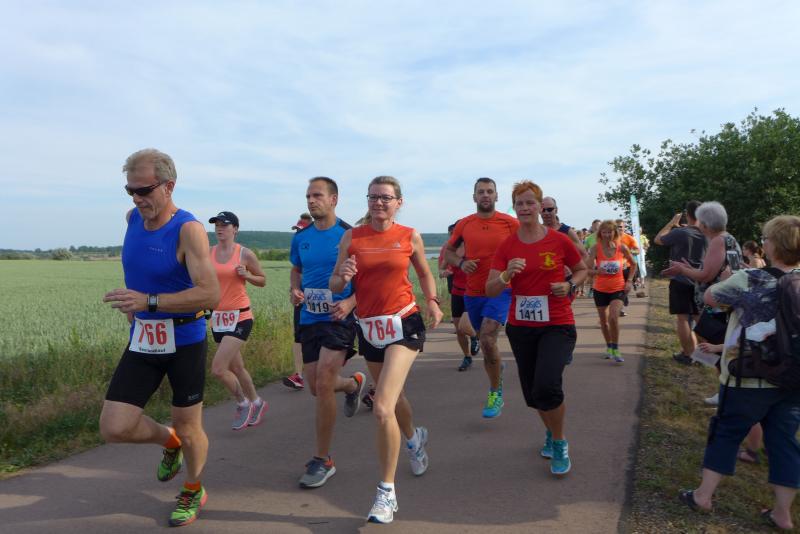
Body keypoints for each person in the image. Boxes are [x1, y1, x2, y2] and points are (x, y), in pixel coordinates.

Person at [101, 149, 220, 527]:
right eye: (130, 190)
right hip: (144, 338)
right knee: (114, 426)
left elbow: (210, 294)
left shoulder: (188, 230)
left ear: (169, 186)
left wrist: (148, 301)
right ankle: (169, 442)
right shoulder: (131, 219)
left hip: (185, 339)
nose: (137, 199)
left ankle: (193, 487)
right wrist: (134, 304)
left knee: (189, 425)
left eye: (144, 190)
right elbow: (141, 271)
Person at [330, 175, 443, 524]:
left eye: (385, 197)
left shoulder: (409, 236)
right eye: (373, 197)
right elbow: (334, 282)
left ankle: (386, 492)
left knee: (381, 407)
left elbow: (423, 273)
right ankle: (413, 439)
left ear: (399, 202)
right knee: (395, 399)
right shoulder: (352, 237)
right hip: (370, 326)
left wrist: (433, 301)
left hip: (404, 323)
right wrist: (343, 276)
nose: (378, 202)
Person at [679, 215, 800, 531]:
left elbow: (710, 298)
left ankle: (703, 496)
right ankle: (783, 514)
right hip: (792, 378)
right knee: (784, 441)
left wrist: (729, 280)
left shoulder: (750, 279)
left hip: (747, 375)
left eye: (766, 238)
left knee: (726, 431)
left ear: (773, 246)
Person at [486, 180, 587, 476]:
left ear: (540, 207)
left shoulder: (558, 240)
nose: (525, 208)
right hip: (522, 327)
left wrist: (569, 285)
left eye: (530, 202)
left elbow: (582, 269)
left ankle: (559, 441)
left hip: (557, 323)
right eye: (520, 203)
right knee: (534, 394)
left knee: (547, 385)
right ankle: (550, 430)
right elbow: (490, 289)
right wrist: (506, 274)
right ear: (514, 208)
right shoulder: (507, 246)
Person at [290, 177, 365, 489]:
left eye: (317, 195)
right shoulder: (301, 238)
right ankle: (352, 385)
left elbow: (368, 279)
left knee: (322, 384)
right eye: (308, 196)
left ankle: (323, 459)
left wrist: (349, 302)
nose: (311, 200)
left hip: (339, 317)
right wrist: (294, 289)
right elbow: (297, 269)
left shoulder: (349, 235)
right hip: (309, 317)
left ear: (334, 199)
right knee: (315, 386)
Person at [444, 178, 519, 418]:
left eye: (490, 191)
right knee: (486, 344)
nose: (485, 195)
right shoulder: (465, 224)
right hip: (474, 292)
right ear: (474, 197)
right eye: (481, 192)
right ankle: (497, 367)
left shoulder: (510, 223)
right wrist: (461, 263)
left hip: (501, 288)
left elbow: (528, 244)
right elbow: (449, 252)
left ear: (497, 196)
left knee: (487, 338)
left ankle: (495, 392)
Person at [208, 211, 267, 430]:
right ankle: (258, 403)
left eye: (224, 225)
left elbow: (262, 280)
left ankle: (243, 403)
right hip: (218, 318)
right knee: (237, 367)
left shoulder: (245, 254)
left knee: (218, 369)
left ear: (235, 229)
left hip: (240, 316)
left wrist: (247, 275)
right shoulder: (208, 253)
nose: (219, 228)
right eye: (217, 225)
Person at [654, 201, 707, 364]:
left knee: (683, 318)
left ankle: (688, 354)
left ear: (687, 214)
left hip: (681, 279)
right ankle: (707, 354)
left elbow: (658, 239)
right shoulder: (708, 233)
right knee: (699, 318)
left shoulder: (681, 232)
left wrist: (672, 223)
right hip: (701, 279)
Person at [587, 220, 637, 362]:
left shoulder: (622, 248)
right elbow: (587, 270)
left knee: (613, 318)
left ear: (615, 232)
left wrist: (629, 281)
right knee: (604, 322)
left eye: (610, 232)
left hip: (618, 288)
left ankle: (615, 348)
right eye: (604, 232)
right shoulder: (595, 248)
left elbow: (633, 264)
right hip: (600, 289)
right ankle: (609, 346)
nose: (607, 235)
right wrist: (597, 271)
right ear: (600, 233)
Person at [438, 222, 479, 371]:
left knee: (464, 325)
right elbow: (441, 269)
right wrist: (444, 273)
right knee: (459, 329)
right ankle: (467, 357)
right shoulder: (451, 249)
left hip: (472, 292)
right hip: (456, 292)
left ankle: (475, 337)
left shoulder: (474, 247)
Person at [283, 213, 313, 390]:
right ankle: (298, 375)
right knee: (298, 336)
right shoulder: (299, 247)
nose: (298, 234)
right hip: (301, 301)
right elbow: (295, 271)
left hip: (321, 302)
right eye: (297, 230)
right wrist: (294, 290)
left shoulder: (320, 247)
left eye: (301, 230)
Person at [615, 219, 640, 316]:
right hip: (616, 267)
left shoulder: (629, 238)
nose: (619, 229)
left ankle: (623, 299)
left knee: (625, 287)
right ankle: (620, 306)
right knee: (618, 288)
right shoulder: (610, 239)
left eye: (620, 227)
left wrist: (628, 252)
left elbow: (637, 251)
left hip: (628, 266)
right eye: (617, 227)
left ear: (624, 227)